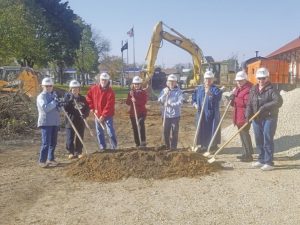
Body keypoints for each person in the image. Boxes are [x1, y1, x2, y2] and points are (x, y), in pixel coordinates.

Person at [246, 67, 283, 171]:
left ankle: (269, 162)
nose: (261, 80)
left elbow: (279, 102)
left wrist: (265, 106)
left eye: (263, 78)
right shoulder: (254, 89)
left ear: (267, 78)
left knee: (267, 138)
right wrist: (247, 114)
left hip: (269, 117)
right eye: (259, 78)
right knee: (258, 139)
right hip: (256, 118)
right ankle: (261, 159)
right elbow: (249, 103)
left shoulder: (272, 89)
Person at [192, 70, 222, 152]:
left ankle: (213, 146)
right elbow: (194, 98)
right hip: (201, 112)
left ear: (212, 80)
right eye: (206, 79)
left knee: (211, 129)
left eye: (210, 79)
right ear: (204, 79)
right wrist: (194, 104)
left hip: (211, 114)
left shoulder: (215, 89)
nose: (208, 81)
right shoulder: (199, 88)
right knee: (201, 128)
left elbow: (218, 98)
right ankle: (203, 145)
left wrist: (210, 94)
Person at [86, 72, 117, 150]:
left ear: (108, 81)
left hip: (108, 115)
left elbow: (109, 105)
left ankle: (114, 146)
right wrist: (91, 107)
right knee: (99, 132)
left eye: (105, 80)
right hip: (97, 114)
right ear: (100, 80)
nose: (103, 81)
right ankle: (102, 147)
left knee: (110, 132)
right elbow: (88, 98)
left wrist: (103, 116)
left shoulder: (110, 92)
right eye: (102, 80)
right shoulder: (94, 89)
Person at [229, 71, 254, 162]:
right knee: (242, 135)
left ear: (245, 80)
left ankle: (249, 155)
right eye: (237, 81)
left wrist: (235, 99)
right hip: (238, 115)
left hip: (244, 116)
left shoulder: (249, 89)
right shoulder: (238, 89)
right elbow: (234, 103)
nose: (238, 82)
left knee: (245, 134)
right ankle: (245, 152)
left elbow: (246, 102)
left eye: (240, 81)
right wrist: (232, 99)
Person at [36, 77, 61, 168]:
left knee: (53, 142)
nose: (48, 87)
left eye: (50, 86)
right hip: (46, 123)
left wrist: (60, 104)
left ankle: (51, 158)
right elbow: (45, 108)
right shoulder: (41, 96)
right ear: (43, 86)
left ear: (52, 86)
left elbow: (58, 109)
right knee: (46, 143)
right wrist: (55, 102)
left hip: (54, 122)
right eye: (46, 86)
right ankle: (42, 161)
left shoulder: (53, 95)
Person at [64, 80, 90, 159]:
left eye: (76, 88)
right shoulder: (67, 98)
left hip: (80, 120)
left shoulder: (82, 98)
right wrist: (69, 101)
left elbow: (87, 108)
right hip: (70, 121)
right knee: (70, 138)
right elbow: (65, 108)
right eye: (73, 89)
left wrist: (85, 115)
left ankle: (79, 151)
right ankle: (71, 152)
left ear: (79, 89)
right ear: (70, 89)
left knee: (79, 137)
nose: (75, 90)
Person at [158, 74, 183, 150]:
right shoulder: (164, 90)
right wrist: (165, 95)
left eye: (173, 81)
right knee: (166, 132)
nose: (171, 83)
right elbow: (159, 101)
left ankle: (173, 147)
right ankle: (167, 146)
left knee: (175, 132)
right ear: (167, 82)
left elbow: (180, 102)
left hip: (175, 116)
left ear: (176, 82)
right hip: (166, 115)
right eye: (170, 81)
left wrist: (170, 104)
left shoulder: (179, 91)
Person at [126, 76, 148, 147]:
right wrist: (130, 97)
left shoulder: (143, 92)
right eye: (135, 84)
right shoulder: (131, 93)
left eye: (138, 84)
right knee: (135, 128)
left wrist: (136, 101)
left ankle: (143, 141)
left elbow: (143, 102)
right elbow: (128, 103)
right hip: (133, 114)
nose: (136, 85)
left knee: (140, 123)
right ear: (133, 84)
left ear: (140, 84)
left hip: (142, 113)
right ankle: (137, 143)